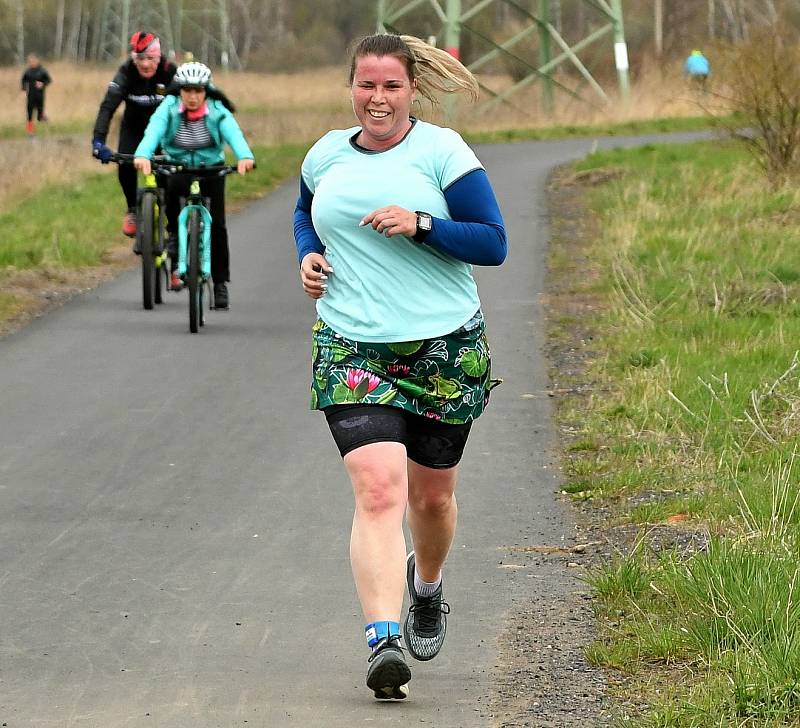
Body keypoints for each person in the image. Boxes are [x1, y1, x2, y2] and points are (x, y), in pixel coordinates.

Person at [293, 33, 507, 700]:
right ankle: (382, 640)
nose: (377, 98)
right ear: (350, 87)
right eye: (366, 85)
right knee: (379, 489)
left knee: (431, 497)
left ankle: (428, 588)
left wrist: (422, 223)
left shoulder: (442, 152)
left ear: (412, 89)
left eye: (390, 86)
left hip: (442, 347)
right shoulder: (326, 153)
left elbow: (492, 242)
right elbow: (307, 212)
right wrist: (309, 254)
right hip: (351, 344)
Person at [133, 61, 255, 310]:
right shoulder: (168, 107)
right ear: (179, 90)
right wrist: (143, 154)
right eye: (187, 90)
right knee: (172, 196)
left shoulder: (216, 108)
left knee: (218, 226)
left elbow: (233, 132)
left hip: (211, 169)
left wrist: (244, 156)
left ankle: (220, 284)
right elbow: (153, 131)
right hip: (178, 167)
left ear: (206, 91)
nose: (192, 96)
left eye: (198, 91)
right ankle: (175, 243)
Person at [91, 31, 177, 237]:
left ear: (159, 57)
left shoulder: (170, 71)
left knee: (168, 179)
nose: (145, 64)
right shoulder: (126, 72)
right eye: (140, 59)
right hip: (134, 128)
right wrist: (98, 141)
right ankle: (133, 210)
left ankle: (174, 229)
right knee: (125, 164)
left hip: (164, 132)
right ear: (133, 58)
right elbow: (107, 108)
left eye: (150, 59)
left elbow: (190, 105)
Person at [20, 53, 51, 135]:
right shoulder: (28, 71)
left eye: (33, 61)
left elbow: (48, 80)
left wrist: (42, 84)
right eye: (30, 61)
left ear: (37, 61)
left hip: (40, 96)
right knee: (29, 114)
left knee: (39, 116)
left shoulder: (42, 71)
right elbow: (23, 80)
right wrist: (23, 89)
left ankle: (45, 122)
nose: (32, 63)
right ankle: (30, 132)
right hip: (30, 95)